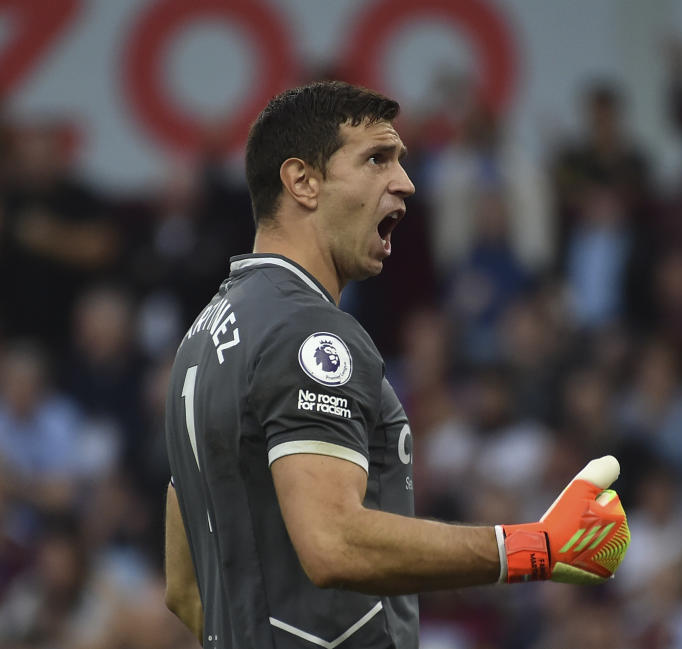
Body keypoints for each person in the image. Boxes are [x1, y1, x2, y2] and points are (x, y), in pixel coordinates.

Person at [163, 81, 630, 648]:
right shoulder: (307, 331)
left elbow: (186, 589)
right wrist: (535, 546)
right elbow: (333, 541)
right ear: (302, 181)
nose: (405, 184)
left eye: (401, 161)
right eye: (376, 159)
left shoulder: (205, 336)